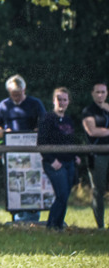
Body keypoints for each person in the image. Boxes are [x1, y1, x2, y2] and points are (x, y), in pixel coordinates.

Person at [0, 74, 46, 222]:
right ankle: (16, 215)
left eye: (19, 94)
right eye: (13, 94)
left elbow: (44, 123)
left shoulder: (35, 104)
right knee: (14, 183)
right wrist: (3, 132)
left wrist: (37, 132)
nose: (16, 97)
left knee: (31, 182)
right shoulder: (4, 105)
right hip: (12, 151)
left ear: (24, 89)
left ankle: (32, 215)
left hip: (32, 151)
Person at [37, 87, 80, 231]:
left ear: (69, 102)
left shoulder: (68, 120)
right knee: (61, 194)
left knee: (65, 196)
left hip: (69, 162)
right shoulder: (47, 119)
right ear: (53, 101)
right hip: (54, 163)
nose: (62, 102)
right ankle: (51, 226)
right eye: (59, 99)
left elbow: (70, 141)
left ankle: (58, 226)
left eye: (65, 100)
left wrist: (75, 156)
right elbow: (41, 143)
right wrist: (52, 160)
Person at [81, 82, 109, 229]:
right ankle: (100, 226)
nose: (100, 95)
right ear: (92, 93)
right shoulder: (88, 111)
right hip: (97, 155)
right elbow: (92, 131)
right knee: (98, 190)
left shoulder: (107, 109)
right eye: (97, 92)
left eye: (103, 92)